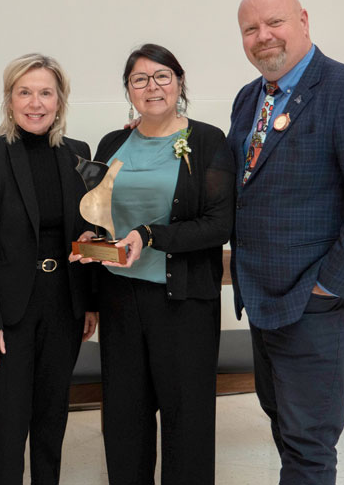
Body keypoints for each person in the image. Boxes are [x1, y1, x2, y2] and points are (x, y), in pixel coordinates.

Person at [228, 0, 344, 484]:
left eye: (275, 22)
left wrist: (329, 285)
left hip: (318, 303)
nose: (263, 36)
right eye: (250, 29)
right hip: (263, 297)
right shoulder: (249, 98)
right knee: (283, 423)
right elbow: (241, 185)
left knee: (309, 443)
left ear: (303, 21)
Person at [75, 43, 235, 484]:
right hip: (120, 297)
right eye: (140, 79)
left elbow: (218, 225)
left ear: (179, 83)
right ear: (128, 90)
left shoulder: (207, 141)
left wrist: (150, 236)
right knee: (126, 415)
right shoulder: (113, 142)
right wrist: (94, 239)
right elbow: (103, 213)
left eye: (162, 76)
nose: (152, 86)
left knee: (187, 415)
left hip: (183, 300)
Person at [0, 53, 99, 485]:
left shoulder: (78, 154)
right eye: (24, 92)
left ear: (60, 101)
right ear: (9, 99)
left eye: (45, 93)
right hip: (7, 311)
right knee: (7, 423)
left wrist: (88, 302)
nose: (35, 103)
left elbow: (87, 231)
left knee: (51, 417)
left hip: (63, 304)